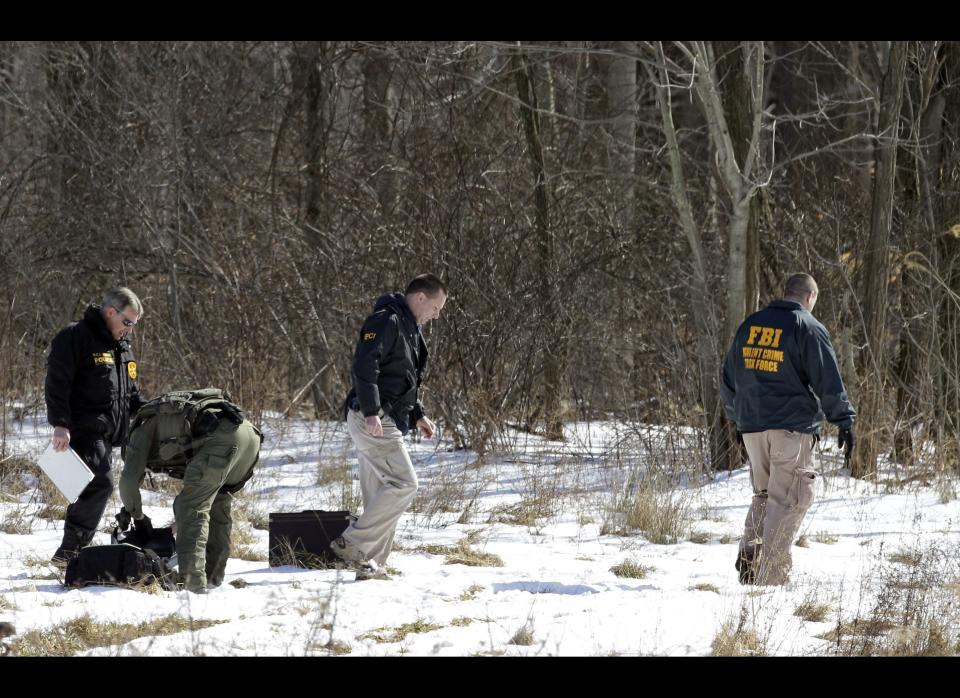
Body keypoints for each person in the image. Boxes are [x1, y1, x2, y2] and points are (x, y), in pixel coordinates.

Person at [721, 273, 856, 586]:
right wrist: (844, 421)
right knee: (792, 499)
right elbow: (828, 381)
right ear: (809, 298)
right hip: (790, 429)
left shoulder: (750, 325)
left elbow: (728, 379)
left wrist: (740, 417)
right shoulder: (806, 327)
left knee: (766, 495)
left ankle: (751, 558)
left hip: (752, 427)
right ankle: (771, 580)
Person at [330, 273, 448, 581]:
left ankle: (369, 564)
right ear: (420, 297)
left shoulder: (409, 327)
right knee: (404, 484)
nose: (437, 315)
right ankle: (352, 544)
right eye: (436, 307)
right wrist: (371, 411)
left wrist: (417, 414)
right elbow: (364, 366)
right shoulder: (387, 320)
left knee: (380, 494)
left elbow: (402, 377)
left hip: (385, 416)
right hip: (372, 417)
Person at [117, 389, 262, 593]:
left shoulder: (138, 436)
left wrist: (138, 518)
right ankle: (213, 578)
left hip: (221, 440)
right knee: (217, 505)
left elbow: (128, 484)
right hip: (250, 436)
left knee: (190, 507)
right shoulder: (158, 421)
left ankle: (193, 586)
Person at [45, 287, 145, 566]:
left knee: (97, 485)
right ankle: (69, 554)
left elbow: (131, 393)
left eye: (134, 325)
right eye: (127, 323)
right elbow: (57, 382)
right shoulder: (75, 337)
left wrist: (151, 411)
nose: (130, 330)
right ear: (110, 312)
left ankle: (72, 552)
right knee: (100, 483)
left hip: (111, 431)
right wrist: (60, 424)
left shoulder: (122, 346)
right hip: (83, 427)